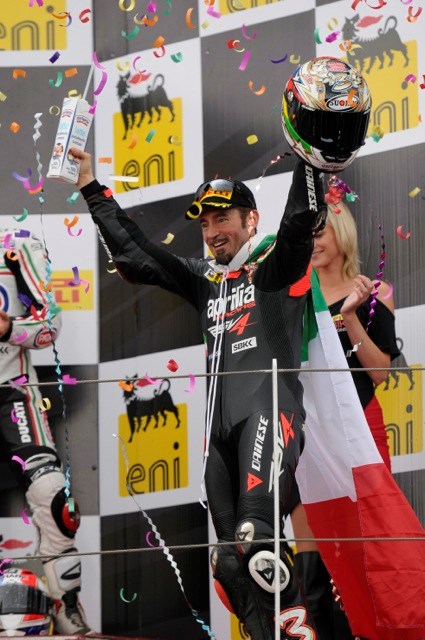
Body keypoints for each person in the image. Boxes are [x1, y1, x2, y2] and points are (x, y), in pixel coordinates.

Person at [71, 145, 327, 639]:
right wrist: (88, 186)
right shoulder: (206, 280)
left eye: (222, 219)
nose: (212, 233)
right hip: (219, 440)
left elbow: (300, 223)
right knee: (229, 564)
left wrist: (313, 158)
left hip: (269, 414)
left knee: (256, 543)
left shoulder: (275, 265)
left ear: (251, 220)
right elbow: (136, 256)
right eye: (205, 224)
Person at [288, 202, 399, 639]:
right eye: (308, 236)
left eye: (320, 233)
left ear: (341, 234)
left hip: (360, 429)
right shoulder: (293, 299)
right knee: (311, 544)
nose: (313, 243)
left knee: (367, 540)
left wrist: (350, 315)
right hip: (309, 435)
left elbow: (380, 372)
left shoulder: (372, 292)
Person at [0, 229, 91, 635]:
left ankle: (65, 605)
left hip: (13, 392)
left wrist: (7, 329)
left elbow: (50, 324)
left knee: (54, 497)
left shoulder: (14, 247)